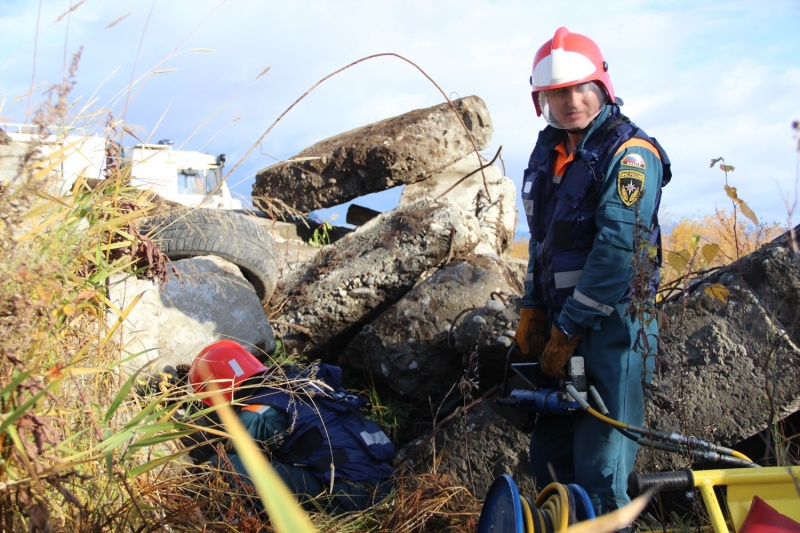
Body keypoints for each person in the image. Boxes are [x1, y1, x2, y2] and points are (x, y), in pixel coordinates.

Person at [513, 27, 671, 516]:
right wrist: (533, 310)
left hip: (613, 328)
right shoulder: (550, 155)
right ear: (542, 99)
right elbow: (543, 243)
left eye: (582, 88)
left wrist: (568, 328)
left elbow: (616, 253)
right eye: (558, 93)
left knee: (600, 468)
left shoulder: (630, 155)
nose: (572, 101)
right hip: (562, 324)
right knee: (551, 459)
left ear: (602, 86)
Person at [184, 340, 395, 515]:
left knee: (220, 468)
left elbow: (230, 454)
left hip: (348, 494)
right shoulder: (304, 384)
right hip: (384, 485)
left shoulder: (258, 411)